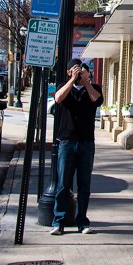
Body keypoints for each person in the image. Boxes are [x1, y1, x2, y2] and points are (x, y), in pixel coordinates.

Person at [51, 58, 103, 235]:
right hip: (66, 142)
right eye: (74, 69)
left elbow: (96, 100)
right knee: (63, 185)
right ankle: (58, 222)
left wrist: (87, 81)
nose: (78, 72)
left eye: (80, 70)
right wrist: (72, 80)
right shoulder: (63, 87)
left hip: (86, 143)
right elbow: (58, 99)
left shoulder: (94, 89)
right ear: (68, 72)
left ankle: (83, 222)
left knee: (84, 185)